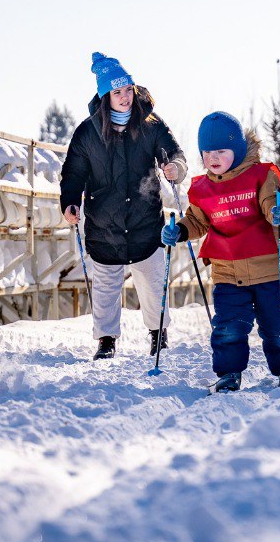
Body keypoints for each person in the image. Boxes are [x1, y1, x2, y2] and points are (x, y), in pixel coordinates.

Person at [161, 112, 280, 392]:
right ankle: (228, 373)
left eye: (221, 151)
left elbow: (271, 203)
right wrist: (181, 231)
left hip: (269, 269)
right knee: (227, 328)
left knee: (278, 327)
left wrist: (278, 213)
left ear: (237, 150)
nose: (213, 157)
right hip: (227, 270)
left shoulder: (261, 176)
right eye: (207, 151)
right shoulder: (202, 187)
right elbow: (197, 221)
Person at [59, 53, 188, 360]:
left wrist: (176, 168)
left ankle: (159, 333)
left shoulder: (150, 125)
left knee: (154, 281)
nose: (124, 97)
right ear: (106, 96)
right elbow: (73, 174)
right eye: (117, 92)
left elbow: (175, 154)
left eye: (128, 90)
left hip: (145, 220)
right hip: (105, 224)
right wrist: (68, 202)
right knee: (105, 285)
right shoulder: (87, 132)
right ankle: (106, 339)